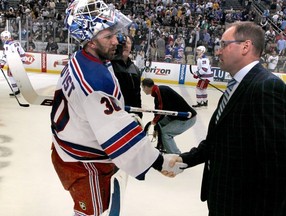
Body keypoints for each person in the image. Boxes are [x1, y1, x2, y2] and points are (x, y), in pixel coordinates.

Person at [50, 1, 185, 215]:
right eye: (108, 36)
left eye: (115, 33)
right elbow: (118, 137)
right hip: (84, 164)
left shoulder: (80, 59)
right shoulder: (95, 82)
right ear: (91, 41)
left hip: (69, 147)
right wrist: (159, 161)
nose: (117, 40)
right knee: (93, 212)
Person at [165, 21, 286, 216]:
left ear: (245, 47)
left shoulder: (266, 87)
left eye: (223, 44)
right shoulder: (235, 87)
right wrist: (184, 159)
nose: (218, 52)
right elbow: (218, 141)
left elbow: (277, 164)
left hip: (244, 207)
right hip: (222, 200)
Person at [141, 78, 197, 154]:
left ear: (146, 87)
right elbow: (158, 111)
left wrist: (154, 121)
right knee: (160, 124)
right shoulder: (158, 91)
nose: (143, 90)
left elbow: (161, 110)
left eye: (142, 87)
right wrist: (156, 126)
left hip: (186, 118)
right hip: (177, 117)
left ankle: (176, 155)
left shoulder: (160, 91)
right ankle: (163, 145)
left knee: (166, 133)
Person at [111, 35, 143, 118]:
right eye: (123, 43)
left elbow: (137, 93)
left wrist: (139, 113)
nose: (125, 45)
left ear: (131, 46)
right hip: (114, 111)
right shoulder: (110, 64)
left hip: (131, 113)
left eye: (128, 43)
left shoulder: (135, 69)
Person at [0, 30, 26, 96]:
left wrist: (2, 64)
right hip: (18, 62)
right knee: (17, 76)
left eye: (3, 37)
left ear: (6, 37)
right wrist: (23, 60)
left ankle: (16, 90)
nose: (2, 38)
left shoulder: (7, 44)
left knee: (11, 76)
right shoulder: (16, 42)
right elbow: (22, 52)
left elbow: (6, 55)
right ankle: (21, 88)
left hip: (13, 63)